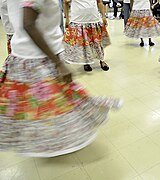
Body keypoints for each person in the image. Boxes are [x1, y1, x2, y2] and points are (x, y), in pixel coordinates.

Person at [0, 0, 121, 157]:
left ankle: (48, 139)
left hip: (33, 52)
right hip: (38, 58)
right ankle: (51, 140)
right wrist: (58, 63)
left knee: (48, 102)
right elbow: (28, 24)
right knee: (49, 102)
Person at [64, 0, 110, 72]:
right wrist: (67, 19)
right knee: (83, 44)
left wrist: (103, 16)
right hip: (78, 20)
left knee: (98, 43)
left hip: (94, 19)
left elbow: (99, 2)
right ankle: (86, 62)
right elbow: (66, 2)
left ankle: (102, 60)